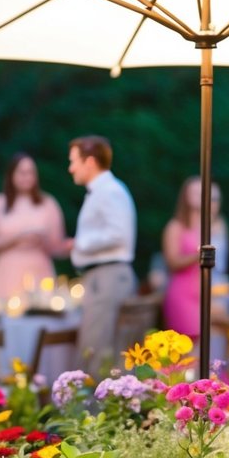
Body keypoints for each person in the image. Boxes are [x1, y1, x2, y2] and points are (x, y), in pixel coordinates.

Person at [64, 135, 137, 380]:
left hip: (108, 276)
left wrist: (80, 244)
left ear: (90, 162)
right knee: (99, 348)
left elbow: (119, 234)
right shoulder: (104, 191)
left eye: (74, 161)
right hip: (104, 275)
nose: (70, 168)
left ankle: (93, 415)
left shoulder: (109, 192)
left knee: (96, 350)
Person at [0, 153, 68, 301]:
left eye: (30, 172)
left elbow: (58, 247)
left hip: (40, 272)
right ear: (11, 175)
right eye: (22, 172)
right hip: (6, 275)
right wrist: (17, 238)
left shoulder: (48, 204)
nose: (26, 177)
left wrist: (43, 240)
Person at [162, 176, 228, 340]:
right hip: (183, 294)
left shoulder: (212, 225)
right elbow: (172, 262)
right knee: (187, 348)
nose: (201, 195)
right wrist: (197, 256)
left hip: (207, 293)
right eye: (195, 192)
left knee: (209, 344)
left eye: (203, 192)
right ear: (185, 196)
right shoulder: (175, 226)